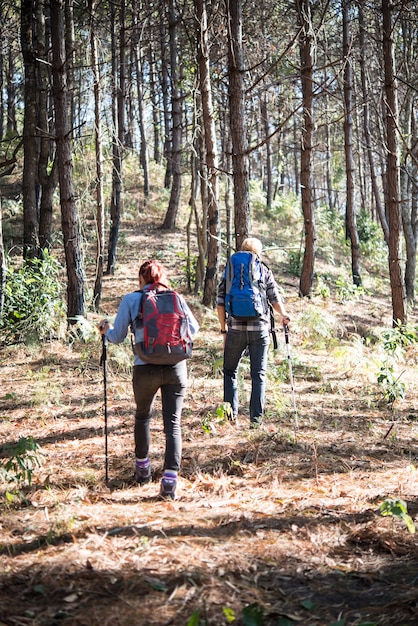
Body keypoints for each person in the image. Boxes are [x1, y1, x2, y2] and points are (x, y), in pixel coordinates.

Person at [98, 260, 199, 500]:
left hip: (145, 368)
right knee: (172, 424)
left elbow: (118, 336)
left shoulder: (132, 300)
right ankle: (169, 482)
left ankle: (142, 470)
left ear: (140, 278)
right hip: (176, 367)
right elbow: (194, 329)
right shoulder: (176, 297)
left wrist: (105, 329)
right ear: (163, 277)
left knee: (143, 415)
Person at [217, 237, 290, 427]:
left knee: (230, 371)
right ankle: (256, 422)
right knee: (258, 374)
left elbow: (220, 301)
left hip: (235, 329)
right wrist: (284, 314)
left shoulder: (230, 269)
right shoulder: (263, 269)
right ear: (258, 252)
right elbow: (274, 297)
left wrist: (223, 330)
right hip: (260, 328)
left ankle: (229, 418)